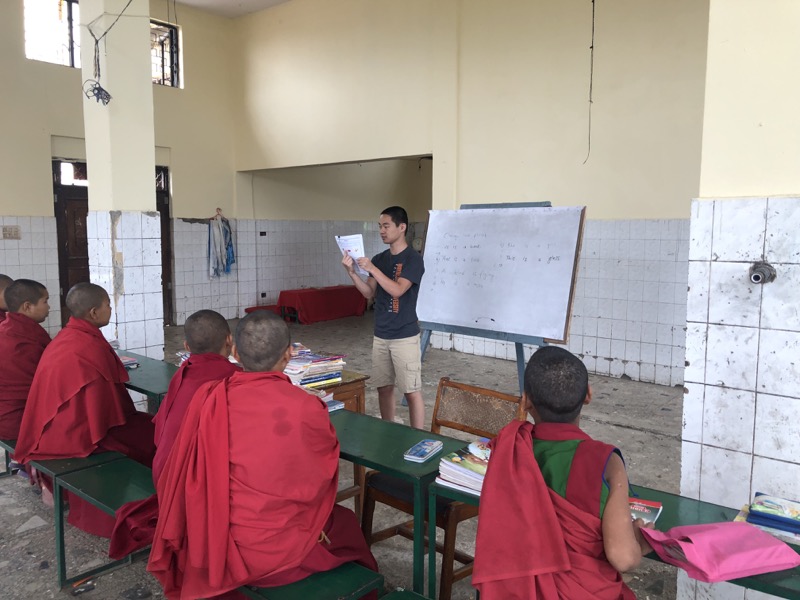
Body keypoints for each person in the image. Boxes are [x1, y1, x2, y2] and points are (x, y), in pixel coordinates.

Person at [148, 311, 377, 600]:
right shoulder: (305, 407)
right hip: (275, 548)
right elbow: (321, 474)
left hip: (215, 537)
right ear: (289, 355)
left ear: (235, 353)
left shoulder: (209, 397)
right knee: (344, 525)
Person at [473, 346, 652, 599]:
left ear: (525, 401)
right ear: (588, 395)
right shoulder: (606, 461)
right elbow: (623, 558)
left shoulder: (510, 452)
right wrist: (641, 542)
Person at [15, 282, 156, 537]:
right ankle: (151, 508)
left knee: (148, 425)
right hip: (74, 438)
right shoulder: (87, 347)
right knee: (156, 435)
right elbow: (105, 417)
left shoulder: (69, 336)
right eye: (108, 306)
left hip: (55, 428)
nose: (110, 310)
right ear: (93, 313)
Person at [108, 310, 242, 559]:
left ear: (186, 346)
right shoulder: (234, 380)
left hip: (166, 474)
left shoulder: (184, 371)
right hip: (193, 489)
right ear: (229, 340)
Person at [342, 205, 425, 428]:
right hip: (381, 334)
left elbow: (398, 289)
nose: (381, 231)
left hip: (405, 335)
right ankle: (388, 430)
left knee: (410, 391)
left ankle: (418, 437)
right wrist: (352, 273)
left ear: (402, 227)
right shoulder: (379, 259)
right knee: (384, 387)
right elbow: (369, 292)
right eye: (379, 226)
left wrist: (373, 269)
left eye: (386, 226)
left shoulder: (413, 259)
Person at [0, 279, 51, 439]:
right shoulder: (29, 336)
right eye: (45, 301)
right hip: (20, 418)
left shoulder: (5, 327)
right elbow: (50, 376)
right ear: (27, 306)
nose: (49, 306)